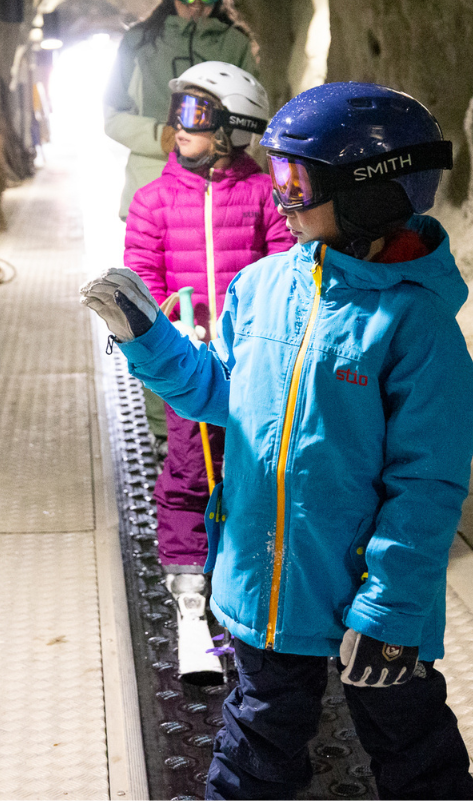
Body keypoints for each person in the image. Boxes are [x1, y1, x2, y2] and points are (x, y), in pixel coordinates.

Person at [81, 81, 473, 800]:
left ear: (367, 191)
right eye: (277, 179)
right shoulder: (264, 285)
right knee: (256, 743)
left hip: (367, 593)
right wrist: (149, 340)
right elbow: (223, 393)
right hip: (265, 590)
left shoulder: (416, 328)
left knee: (412, 746)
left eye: (297, 184)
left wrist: (390, 612)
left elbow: (427, 488)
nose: (280, 200)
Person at [123, 61, 293, 612]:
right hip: (193, 361)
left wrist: (263, 332)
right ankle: (188, 573)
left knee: (260, 461)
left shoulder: (267, 195)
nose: (180, 128)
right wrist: (172, 326)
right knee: (190, 466)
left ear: (231, 129)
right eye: (177, 114)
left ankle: (255, 563)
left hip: (254, 359)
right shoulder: (152, 202)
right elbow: (144, 275)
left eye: (196, 115)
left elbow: (285, 268)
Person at [104, 0, 256, 218]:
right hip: (152, 189)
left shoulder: (235, 45)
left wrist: (219, 144)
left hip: (218, 192)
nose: (196, 2)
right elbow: (113, 116)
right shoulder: (138, 44)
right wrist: (164, 138)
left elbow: (251, 115)